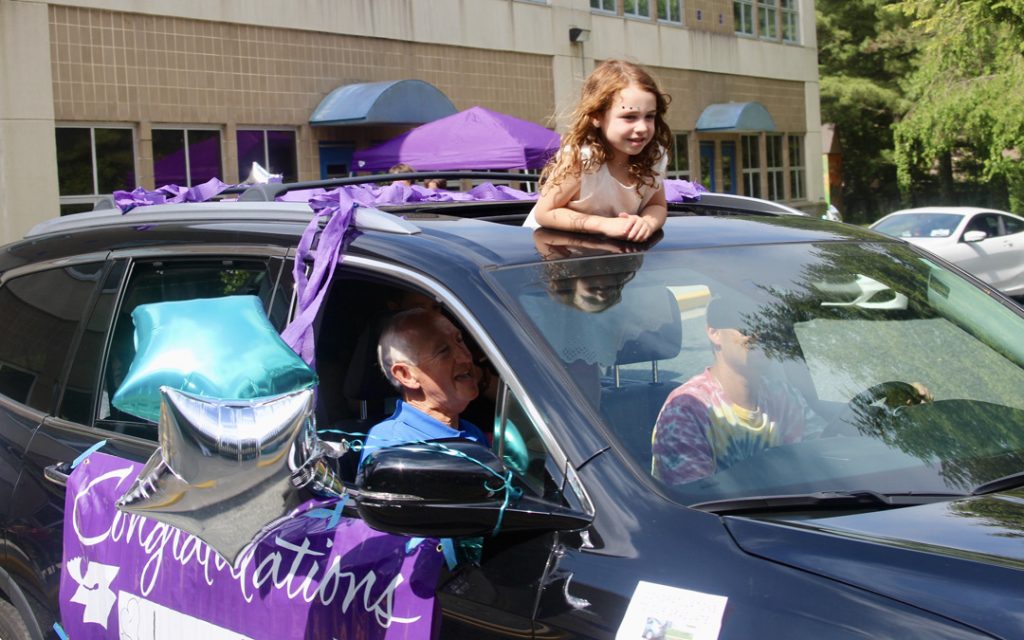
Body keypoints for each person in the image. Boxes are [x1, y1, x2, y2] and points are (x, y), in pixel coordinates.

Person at [651, 296, 827, 485]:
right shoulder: (687, 408)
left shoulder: (784, 396)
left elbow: (825, 456)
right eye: (746, 326)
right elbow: (694, 501)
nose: (759, 335)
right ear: (714, 333)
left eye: (767, 326)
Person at [524, 59, 671, 243]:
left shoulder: (652, 158)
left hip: (608, 255)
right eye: (629, 117)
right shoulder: (582, 159)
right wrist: (604, 224)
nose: (642, 127)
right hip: (551, 251)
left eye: (649, 116)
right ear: (596, 116)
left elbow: (657, 205)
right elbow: (545, 212)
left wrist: (647, 223)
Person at [359, 307, 488, 464]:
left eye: (459, 340)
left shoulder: (471, 432)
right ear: (406, 375)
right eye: (443, 351)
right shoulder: (393, 446)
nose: (465, 357)